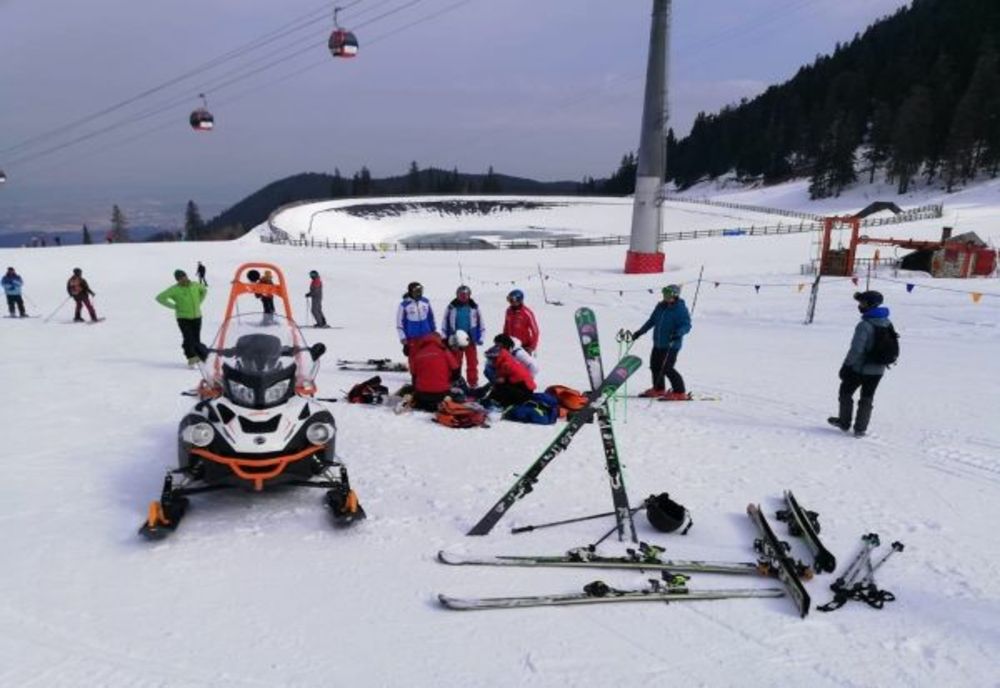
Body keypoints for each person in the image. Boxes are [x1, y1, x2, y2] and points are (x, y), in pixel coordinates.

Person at [828, 291, 894, 437]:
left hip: (859, 369)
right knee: (867, 397)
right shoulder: (887, 322)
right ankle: (860, 429)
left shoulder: (864, 325)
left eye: (862, 303)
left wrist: (846, 366)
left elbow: (856, 350)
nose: (860, 306)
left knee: (845, 392)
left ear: (871, 304)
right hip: (878, 369)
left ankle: (844, 422)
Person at [627, 284, 692, 400]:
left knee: (667, 368)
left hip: (672, 344)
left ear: (675, 296)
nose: (665, 296)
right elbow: (652, 321)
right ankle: (658, 389)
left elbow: (686, 325)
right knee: (655, 366)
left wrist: (678, 333)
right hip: (658, 343)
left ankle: (680, 392)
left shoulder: (680, 309)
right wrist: (640, 332)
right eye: (664, 294)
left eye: (667, 294)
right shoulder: (661, 307)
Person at [156, 269, 208, 366]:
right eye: (180, 278)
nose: (183, 279)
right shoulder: (175, 289)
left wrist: (199, 302)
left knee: (196, 339)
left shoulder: (195, 285)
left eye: (184, 277)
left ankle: (199, 356)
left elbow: (204, 291)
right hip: (183, 318)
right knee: (188, 337)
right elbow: (160, 298)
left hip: (197, 316)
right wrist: (174, 306)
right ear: (177, 280)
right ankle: (191, 358)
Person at [442, 285, 483, 386]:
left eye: (466, 295)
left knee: (472, 362)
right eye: (461, 295)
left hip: (470, 338)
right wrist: (445, 337)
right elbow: (444, 322)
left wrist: (480, 337)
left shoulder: (474, 307)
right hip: (457, 339)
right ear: (457, 295)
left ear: (469, 295)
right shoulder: (451, 307)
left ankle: (473, 383)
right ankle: (456, 381)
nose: (464, 297)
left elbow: (481, 323)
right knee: (456, 362)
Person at [408, 332, 461, 411]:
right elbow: (456, 370)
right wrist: (450, 381)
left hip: (422, 394)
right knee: (459, 393)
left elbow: (413, 375)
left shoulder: (418, 354)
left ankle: (419, 402)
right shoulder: (444, 351)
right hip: (442, 393)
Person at [484, 344, 536, 408]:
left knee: (500, 387)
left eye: (490, 359)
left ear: (496, 357)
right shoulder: (506, 359)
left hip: (525, 392)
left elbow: (500, 381)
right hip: (523, 388)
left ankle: (500, 403)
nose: (490, 361)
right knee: (500, 386)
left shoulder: (506, 364)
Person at [396, 282, 435, 357]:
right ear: (411, 292)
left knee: (426, 358)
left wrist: (433, 333)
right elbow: (399, 324)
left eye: (420, 291)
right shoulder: (404, 305)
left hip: (426, 337)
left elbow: (430, 318)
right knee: (414, 359)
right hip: (412, 339)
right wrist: (404, 340)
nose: (419, 294)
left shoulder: (425, 301)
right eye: (416, 292)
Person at [502, 289, 539, 354]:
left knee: (522, 364)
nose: (510, 302)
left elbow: (535, 331)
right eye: (509, 300)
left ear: (519, 300)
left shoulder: (527, 313)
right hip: (511, 345)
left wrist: (532, 347)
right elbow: (506, 327)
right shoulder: (509, 311)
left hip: (524, 347)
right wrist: (504, 340)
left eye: (512, 300)